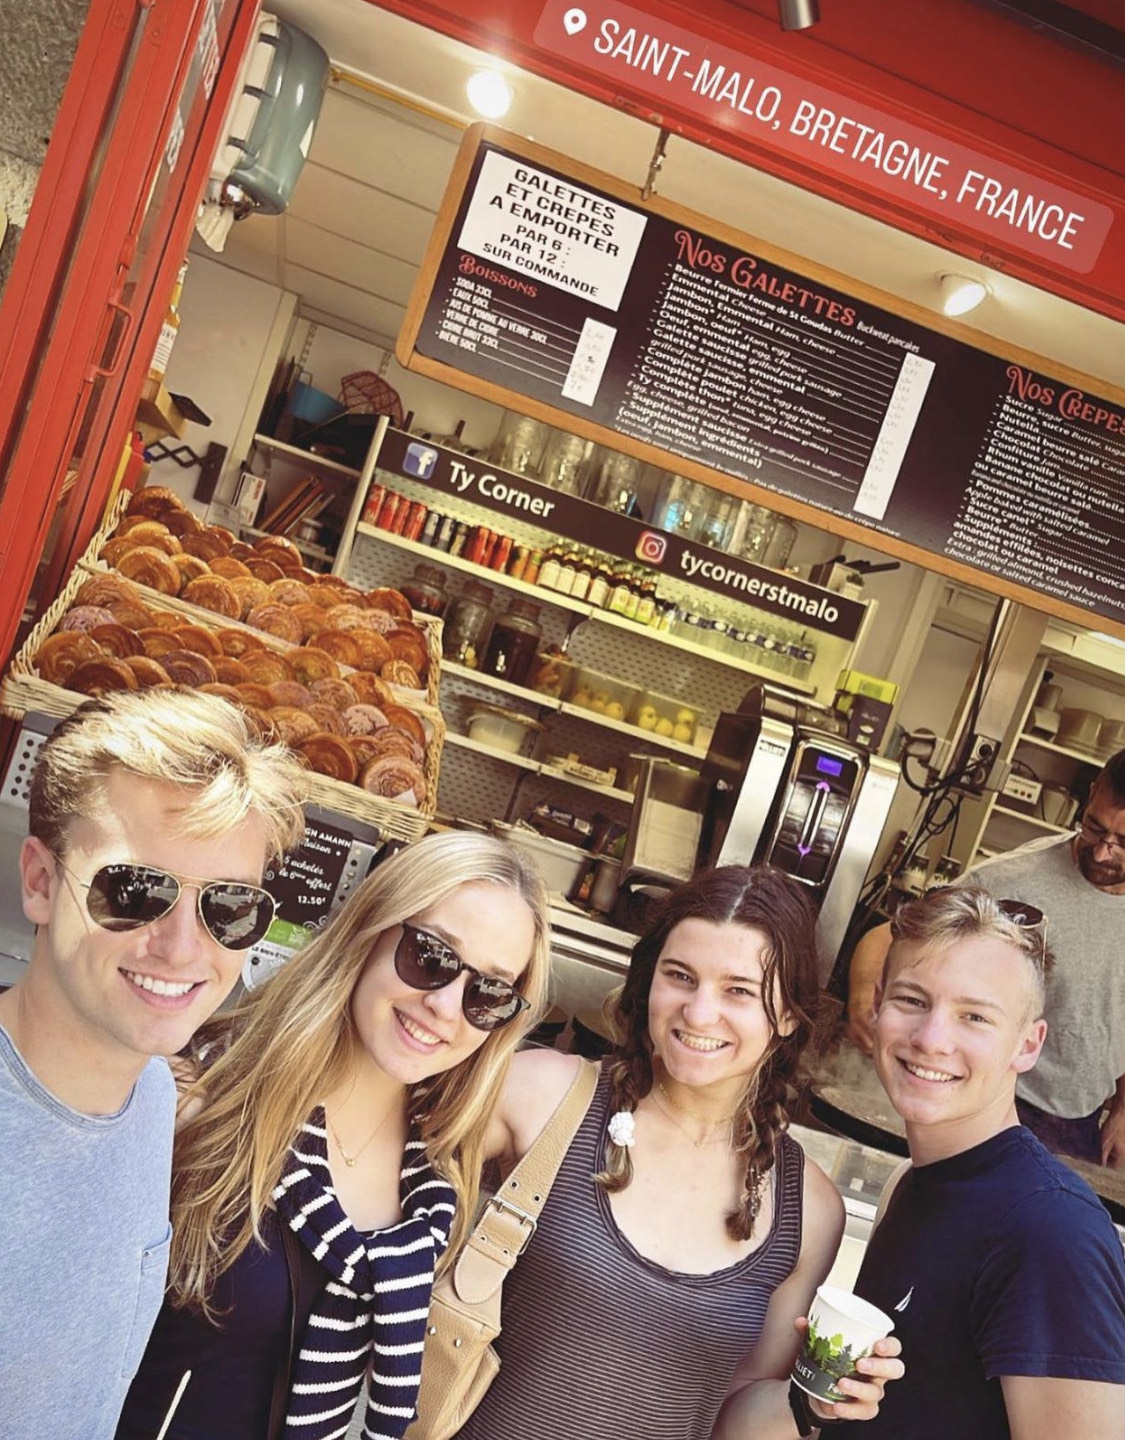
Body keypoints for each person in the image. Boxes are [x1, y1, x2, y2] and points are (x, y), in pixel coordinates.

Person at [116, 829, 551, 1440]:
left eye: (489, 992)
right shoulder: (200, 1098)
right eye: (430, 957)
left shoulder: (440, 1185)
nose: (447, 1008)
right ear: (370, 932)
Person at [451, 865, 902, 1440]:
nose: (699, 1012)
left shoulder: (809, 1209)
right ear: (649, 981)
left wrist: (812, 1405)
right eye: (680, 976)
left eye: (738, 990)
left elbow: (733, 1418)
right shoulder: (544, 1095)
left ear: (788, 1014)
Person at [0, 688, 308, 1440]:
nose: (181, 948)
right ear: (41, 882)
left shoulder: (149, 1101)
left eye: (228, 907)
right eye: (135, 890)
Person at [836, 884, 1125, 1440]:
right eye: (912, 1000)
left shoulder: (1050, 1232)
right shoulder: (910, 1182)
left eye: (974, 1016)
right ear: (876, 1007)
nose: (931, 1038)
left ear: (1028, 1044)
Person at [845, 748, 1125, 1166]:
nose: (1102, 853)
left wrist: (1122, 1110)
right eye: (1093, 828)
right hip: (987, 1100)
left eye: (1123, 844)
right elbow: (888, 937)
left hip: (1078, 1122)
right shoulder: (1011, 881)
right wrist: (863, 998)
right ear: (1090, 794)